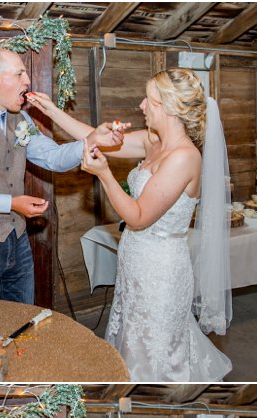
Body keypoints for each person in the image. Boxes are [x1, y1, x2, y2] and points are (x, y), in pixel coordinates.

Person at [26, 68, 233, 381]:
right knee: (132, 341)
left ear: (170, 108)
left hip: (161, 272)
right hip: (135, 262)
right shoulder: (153, 142)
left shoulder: (184, 157)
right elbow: (93, 136)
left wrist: (104, 174)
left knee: (158, 350)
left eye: (149, 100)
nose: (141, 105)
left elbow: (137, 217)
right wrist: (51, 110)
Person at [0, 48, 122, 303]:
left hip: (17, 241)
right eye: (20, 73)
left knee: (20, 323)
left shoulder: (20, 118)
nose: (27, 81)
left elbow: (51, 157)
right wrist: (11, 203)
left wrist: (91, 140)